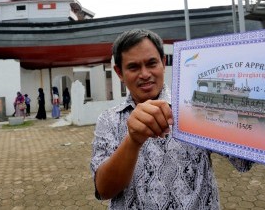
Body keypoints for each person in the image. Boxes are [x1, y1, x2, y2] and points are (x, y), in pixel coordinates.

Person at [90, 29, 254, 209]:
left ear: (163, 62)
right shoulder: (109, 120)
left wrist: (245, 114)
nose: (144, 74)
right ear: (119, 72)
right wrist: (132, 141)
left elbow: (243, 159)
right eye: (133, 67)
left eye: (151, 63)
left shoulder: (193, 106)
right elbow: (104, 190)